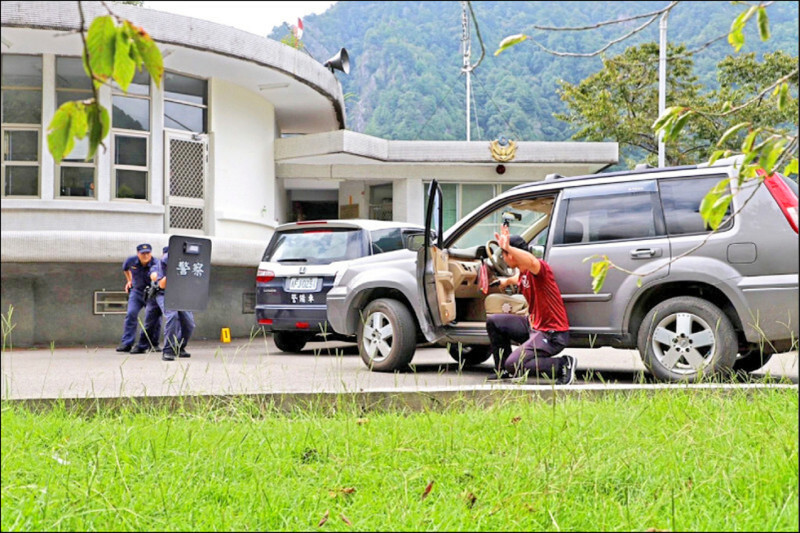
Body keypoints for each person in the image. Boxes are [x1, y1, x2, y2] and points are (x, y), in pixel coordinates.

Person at [485, 232, 576, 385]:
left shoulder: (539, 269)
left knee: (514, 363)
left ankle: (562, 365)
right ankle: (504, 370)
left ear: (512, 255)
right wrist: (505, 282)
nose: (503, 259)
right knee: (494, 321)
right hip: (533, 326)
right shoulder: (523, 273)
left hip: (551, 333)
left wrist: (508, 247)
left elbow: (532, 261)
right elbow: (517, 279)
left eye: (504, 255)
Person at [150, 245, 195, 361]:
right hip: (164, 294)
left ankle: (179, 347)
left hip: (180, 294)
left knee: (189, 323)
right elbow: (161, 285)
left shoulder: (185, 263)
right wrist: (172, 270)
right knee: (172, 316)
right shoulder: (161, 263)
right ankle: (168, 350)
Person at [117, 243, 161, 352]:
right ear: (138, 253)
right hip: (137, 292)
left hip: (151, 293)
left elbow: (158, 275)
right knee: (131, 314)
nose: (145, 256)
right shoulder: (131, 261)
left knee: (154, 319)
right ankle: (127, 343)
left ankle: (153, 343)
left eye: (148, 253)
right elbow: (125, 269)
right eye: (143, 253)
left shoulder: (156, 263)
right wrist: (129, 281)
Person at [129, 246, 166, 354]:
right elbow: (154, 275)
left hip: (170, 295)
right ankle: (142, 345)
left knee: (168, 320)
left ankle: (155, 344)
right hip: (155, 295)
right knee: (149, 322)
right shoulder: (158, 264)